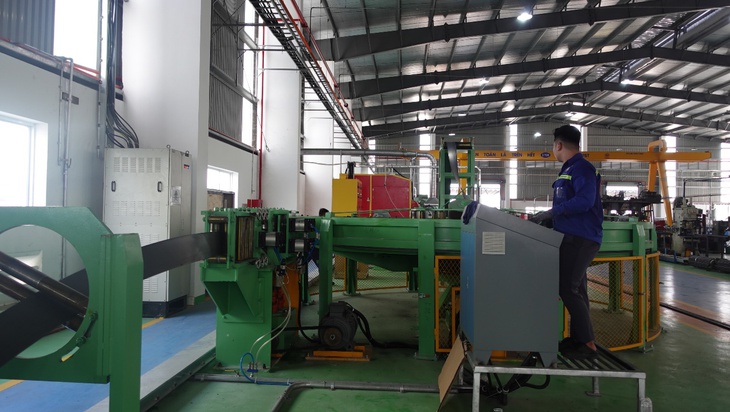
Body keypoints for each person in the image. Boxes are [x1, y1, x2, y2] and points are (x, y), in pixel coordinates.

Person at [531, 125, 603, 359]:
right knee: (577, 289)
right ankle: (579, 339)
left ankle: (587, 343)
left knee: (567, 288)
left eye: (553, 146)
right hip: (571, 236)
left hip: (580, 238)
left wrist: (553, 212)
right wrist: (550, 220)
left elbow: (585, 201)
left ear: (559, 145)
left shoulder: (582, 169)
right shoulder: (570, 170)